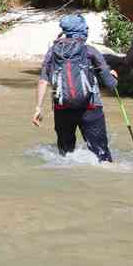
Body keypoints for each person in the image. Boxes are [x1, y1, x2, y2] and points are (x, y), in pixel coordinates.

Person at [32, 14, 118, 162]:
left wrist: (38, 108)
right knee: (101, 155)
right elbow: (110, 84)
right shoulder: (90, 50)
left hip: (62, 108)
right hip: (91, 107)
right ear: (82, 31)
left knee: (65, 156)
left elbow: (43, 81)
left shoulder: (53, 52)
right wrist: (114, 76)